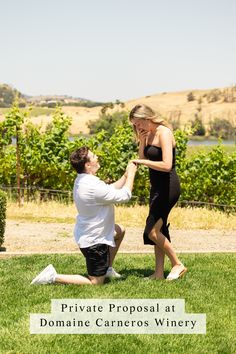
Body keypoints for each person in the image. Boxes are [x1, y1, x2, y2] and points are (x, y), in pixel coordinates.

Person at [31, 146, 137, 286]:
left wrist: (124, 175)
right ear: (88, 165)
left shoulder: (84, 180)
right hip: (94, 242)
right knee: (96, 282)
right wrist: (131, 175)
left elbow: (110, 189)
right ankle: (53, 276)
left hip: (90, 233)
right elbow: (125, 196)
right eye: (93, 157)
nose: (97, 157)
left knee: (119, 230)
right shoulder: (92, 186)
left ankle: (107, 269)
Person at [129, 104, 187, 280]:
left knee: (152, 232)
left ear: (147, 118)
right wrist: (142, 141)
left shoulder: (164, 133)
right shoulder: (147, 134)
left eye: (139, 124)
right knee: (159, 230)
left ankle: (177, 264)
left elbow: (167, 165)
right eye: (134, 126)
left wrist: (143, 163)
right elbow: (143, 158)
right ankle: (159, 273)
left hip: (168, 187)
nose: (137, 128)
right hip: (156, 187)